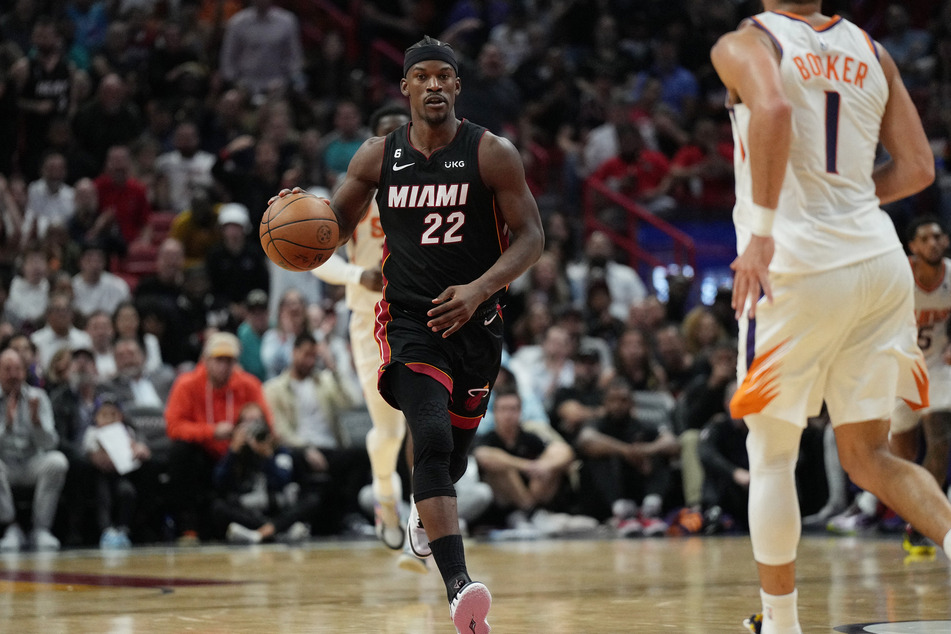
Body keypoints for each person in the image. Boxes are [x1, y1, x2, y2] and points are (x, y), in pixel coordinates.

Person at [272, 35, 544, 634]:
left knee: (453, 456)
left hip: (478, 321)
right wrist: (303, 215)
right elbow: (333, 229)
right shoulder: (377, 156)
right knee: (427, 435)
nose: (434, 86)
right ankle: (459, 586)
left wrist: (478, 290)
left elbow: (532, 239)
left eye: (444, 76)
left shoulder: (492, 153)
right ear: (406, 87)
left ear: (457, 85)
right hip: (408, 320)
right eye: (421, 76)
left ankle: (428, 515)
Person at [711, 4, 951, 633]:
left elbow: (774, 109)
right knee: (870, 456)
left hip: (797, 267)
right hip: (879, 263)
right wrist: (845, 205)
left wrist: (761, 233)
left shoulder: (746, 41)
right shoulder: (875, 52)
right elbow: (920, 168)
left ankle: (782, 626)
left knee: (771, 455)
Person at [309, 104, 412, 554]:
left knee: (430, 421)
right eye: (384, 135)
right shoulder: (355, 192)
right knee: (389, 430)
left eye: (400, 133)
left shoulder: (434, 187)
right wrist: (356, 276)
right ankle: (386, 494)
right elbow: (316, 258)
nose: (393, 143)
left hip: (422, 315)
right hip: (371, 320)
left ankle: (431, 513)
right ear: (373, 143)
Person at [880, 216, 951, 554]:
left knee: (940, 439)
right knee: (903, 459)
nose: (933, 243)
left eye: (937, 237)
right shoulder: (898, 276)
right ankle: (913, 515)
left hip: (937, 368)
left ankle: (921, 523)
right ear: (912, 247)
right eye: (924, 238)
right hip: (900, 370)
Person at [164, 331, 271, 543]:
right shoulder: (187, 384)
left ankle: (261, 517)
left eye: (229, 360)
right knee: (180, 452)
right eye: (219, 360)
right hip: (204, 453)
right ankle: (188, 527)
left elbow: (266, 424)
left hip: (238, 455)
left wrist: (244, 435)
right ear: (206, 360)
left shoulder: (249, 384)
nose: (224, 365)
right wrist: (211, 431)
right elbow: (174, 427)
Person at [263, 332, 366, 535]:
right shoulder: (274, 388)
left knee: (360, 457)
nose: (310, 360)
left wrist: (334, 369)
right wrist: (306, 448)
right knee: (295, 460)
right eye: (306, 355)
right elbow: (281, 429)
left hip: (329, 447)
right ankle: (300, 519)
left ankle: (350, 516)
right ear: (294, 353)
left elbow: (353, 402)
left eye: (314, 356)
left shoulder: (325, 381)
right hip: (297, 448)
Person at [212, 402, 319, 545]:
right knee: (217, 507)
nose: (253, 427)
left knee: (312, 499)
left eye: (257, 421)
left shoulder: (278, 451)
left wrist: (267, 455)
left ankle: (261, 532)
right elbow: (219, 482)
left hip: (278, 507)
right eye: (247, 422)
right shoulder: (237, 452)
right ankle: (278, 530)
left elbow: (282, 480)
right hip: (250, 510)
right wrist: (233, 452)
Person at [473, 386, 575, 531]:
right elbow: (482, 455)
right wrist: (525, 465)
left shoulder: (529, 437)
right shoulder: (487, 438)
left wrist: (544, 465)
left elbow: (565, 451)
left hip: (536, 493)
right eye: (503, 409)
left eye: (513, 409)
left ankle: (533, 513)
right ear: (495, 412)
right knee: (501, 467)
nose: (508, 415)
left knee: (555, 453)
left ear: (520, 412)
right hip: (502, 504)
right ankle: (531, 512)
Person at [0, 349, 68, 551]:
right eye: (7, 369)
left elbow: (50, 444)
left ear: (24, 372)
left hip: (31, 462)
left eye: (17, 369)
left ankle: (41, 529)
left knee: (57, 461)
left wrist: (37, 422)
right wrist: (8, 426)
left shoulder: (38, 397)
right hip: (4, 463)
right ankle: (9, 527)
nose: (13, 374)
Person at [82, 395, 152, 549]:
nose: (109, 420)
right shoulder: (92, 434)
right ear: (96, 417)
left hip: (121, 474)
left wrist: (135, 450)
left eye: (113, 415)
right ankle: (106, 530)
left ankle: (123, 529)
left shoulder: (127, 432)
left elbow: (135, 449)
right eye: (104, 415)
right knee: (103, 498)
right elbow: (88, 452)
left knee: (127, 493)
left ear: (120, 416)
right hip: (100, 476)